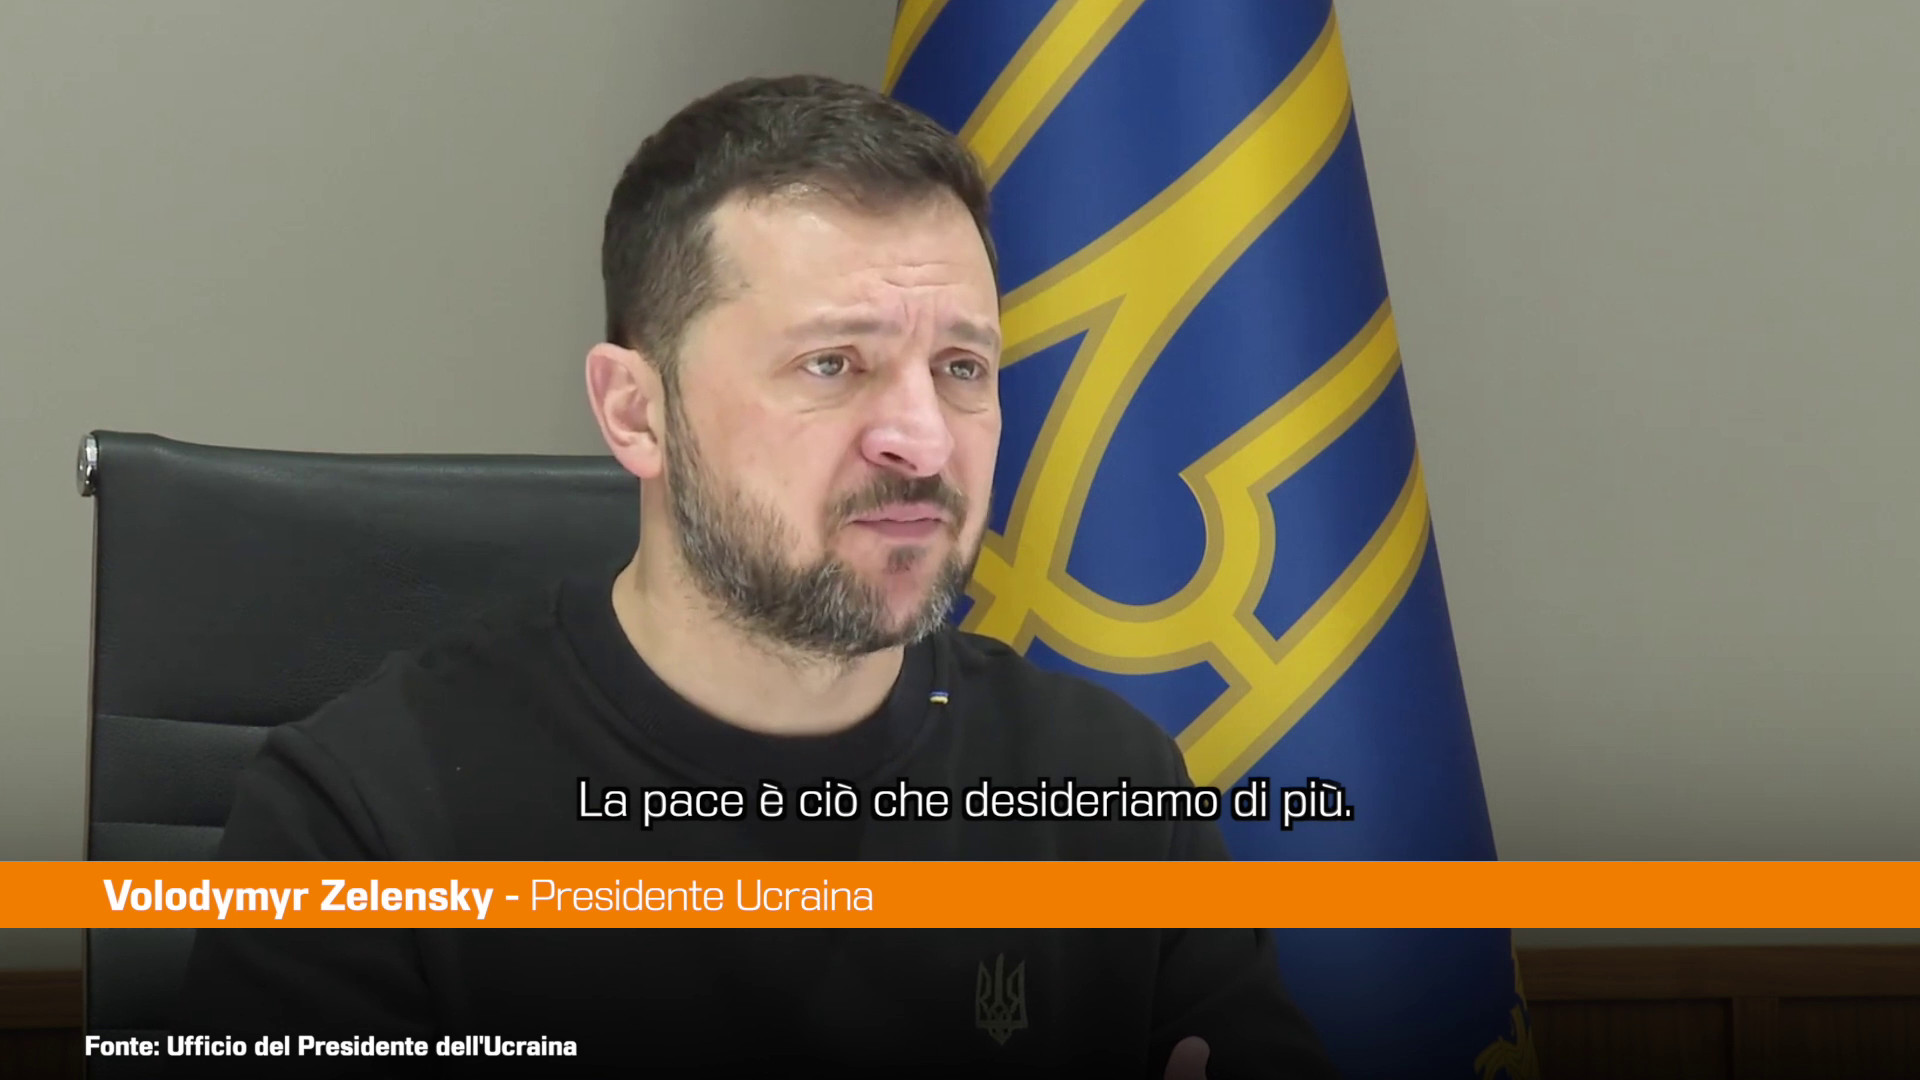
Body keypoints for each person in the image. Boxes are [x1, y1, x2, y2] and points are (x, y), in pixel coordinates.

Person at [171, 74, 1339, 1080]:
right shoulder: (365, 826)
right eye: (833, 365)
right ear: (637, 412)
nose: (922, 440)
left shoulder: (1105, 789)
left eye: (961, 367)